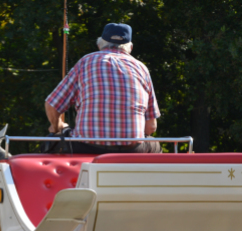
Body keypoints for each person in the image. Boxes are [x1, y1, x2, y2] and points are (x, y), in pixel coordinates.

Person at [44, 23, 162, 154]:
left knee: (52, 143)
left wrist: (58, 127)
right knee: (153, 143)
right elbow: (151, 127)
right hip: (132, 150)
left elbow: (52, 105)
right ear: (130, 48)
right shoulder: (141, 68)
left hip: (87, 147)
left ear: (99, 44)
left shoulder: (86, 62)